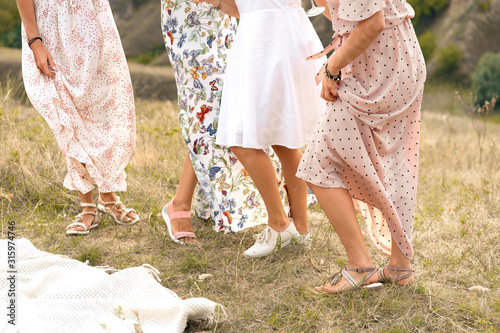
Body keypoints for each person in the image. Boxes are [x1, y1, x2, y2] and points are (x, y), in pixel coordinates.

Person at [297, 0, 426, 292]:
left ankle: (360, 266)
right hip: (390, 57)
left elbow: (372, 22)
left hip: (380, 65)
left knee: (318, 162)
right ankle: (399, 267)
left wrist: (331, 66)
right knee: (396, 165)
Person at [193, 0, 325, 257]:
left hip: (264, 40)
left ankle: (280, 224)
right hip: (286, 33)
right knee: (286, 140)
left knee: (241, 139)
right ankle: (300, 230)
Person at [160, 0, 291, 244]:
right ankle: (180, 203)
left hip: (224, 25)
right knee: (213, 110)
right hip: (191, 27)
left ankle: (182, 202)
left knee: (221, 112)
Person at [17, 0, 139, 235]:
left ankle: (108, 195)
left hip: (90, 18)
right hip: (49, 26)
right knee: (66, 109)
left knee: (100, 107)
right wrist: (35, 42)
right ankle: (87, 206)